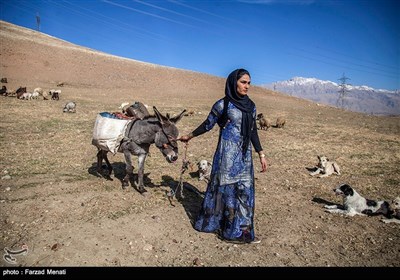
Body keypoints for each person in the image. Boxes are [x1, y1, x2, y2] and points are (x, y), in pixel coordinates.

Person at [179, 68, 267, 244]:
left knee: (245, 193)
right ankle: (227, 230)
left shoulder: (251, 106)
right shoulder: (223, 104)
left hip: (244, 157)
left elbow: (253, 132)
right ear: (233, 82)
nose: (247, 86)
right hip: (226, 156)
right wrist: (190, 135)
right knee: (227, 192)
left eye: (249, 82)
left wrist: (261, 154)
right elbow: (208, 124)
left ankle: (243, 231)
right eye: (243, 82)